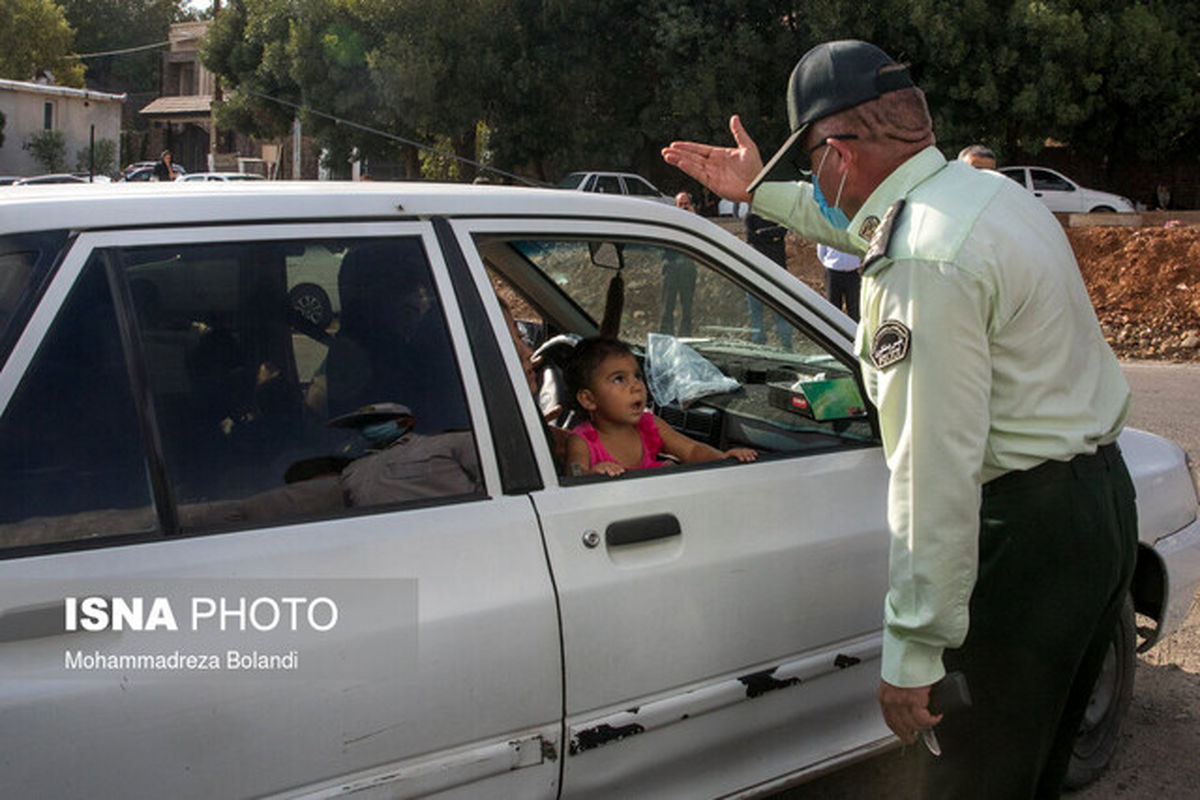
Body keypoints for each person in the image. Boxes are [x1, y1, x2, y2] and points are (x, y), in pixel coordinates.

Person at [663, 39, 1135, 799]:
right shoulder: (982, 197)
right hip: (1098, 510)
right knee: (1034, 768)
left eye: (810, 163)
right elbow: (865, 228)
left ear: (839, 153)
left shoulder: (919, 264)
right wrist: (758, 190)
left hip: (1023, 543)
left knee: (973, 781)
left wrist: (914, 654)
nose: (814, 179)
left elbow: (933, 471)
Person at [563, 337, 756, 476]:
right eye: (619, 379)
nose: (636, 385)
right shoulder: (582, 440)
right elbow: (575, 472)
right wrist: (594, 474)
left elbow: (691, 450)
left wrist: (722, 458)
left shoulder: (649, 425)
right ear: (589, 399)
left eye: (637, 376)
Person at [744, 213, 793, 346]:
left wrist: (760, 234)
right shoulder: (751, 215)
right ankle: (759, 346)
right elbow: (750, 237)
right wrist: (772, 236)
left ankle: (786, 347)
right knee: (756, 313)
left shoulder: (778, 213)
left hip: (778, 274)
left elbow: (783, 230)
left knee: (781, 313)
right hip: (756, 274)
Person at [660, 192, 699, 336]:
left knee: (687, 308)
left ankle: (685, 337)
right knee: (667, 307)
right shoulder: (669, 221)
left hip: (687, 268)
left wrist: (694, 218)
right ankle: (665, 336)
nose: (683, 208)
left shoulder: (695, 221)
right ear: (675, 206)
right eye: (680, 204)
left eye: (686, 204)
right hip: (670, 266)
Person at [817, 243, 862, 321]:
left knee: (854, 309)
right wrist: (830, 263)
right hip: (833, 274)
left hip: (852, 274)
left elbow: (861, 249)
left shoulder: (855, 231)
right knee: (834, 309)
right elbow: (821, 252)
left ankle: (853, 332)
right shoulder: (829, 231)